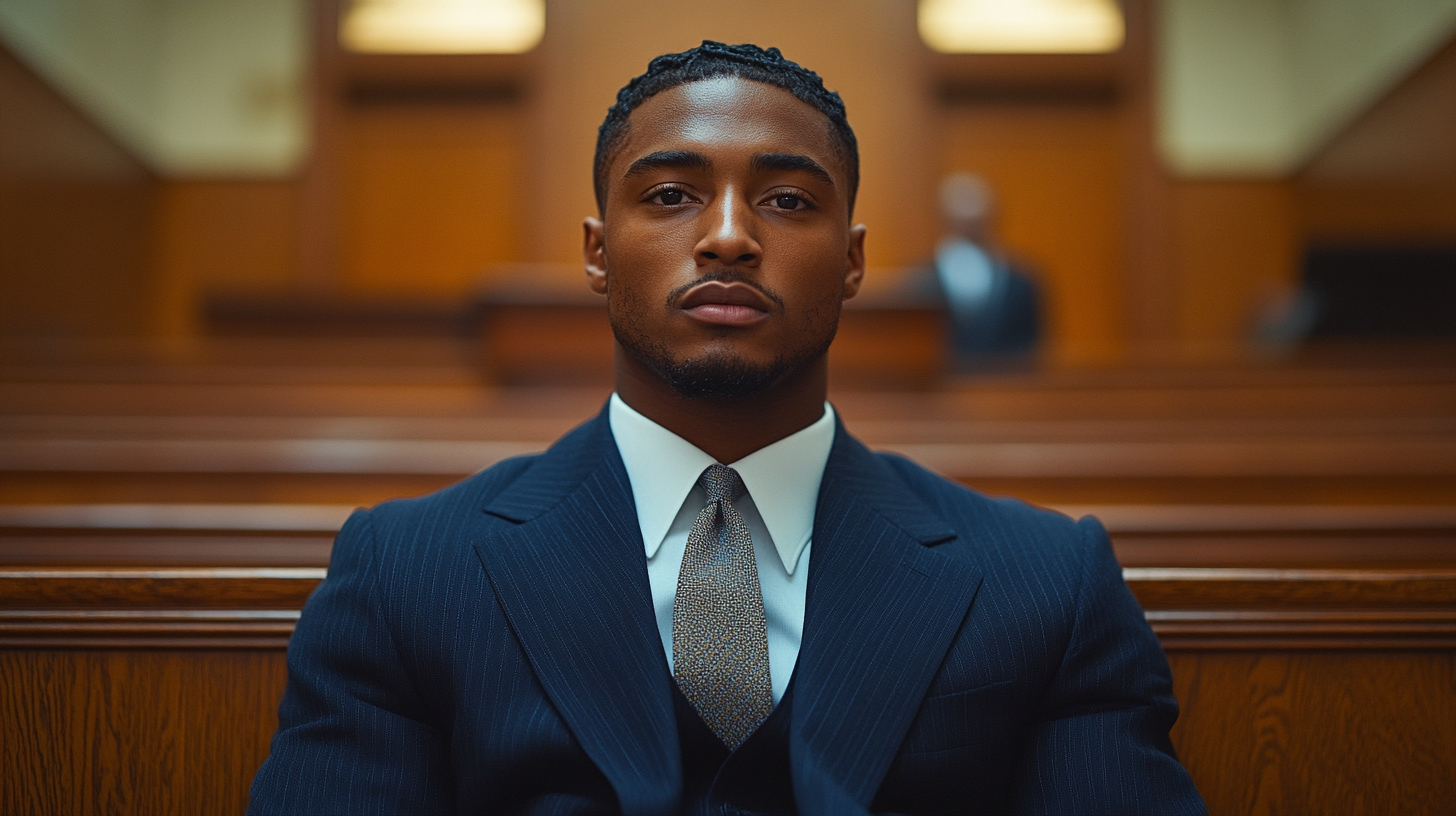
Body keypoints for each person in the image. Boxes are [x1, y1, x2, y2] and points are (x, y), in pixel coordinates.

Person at [248, 42, 1205, 815]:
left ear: (854, 261)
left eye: (788, 200)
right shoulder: (408, 571)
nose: (730, 235)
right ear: (595, 252)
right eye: (670, 195)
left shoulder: (1046, 581)